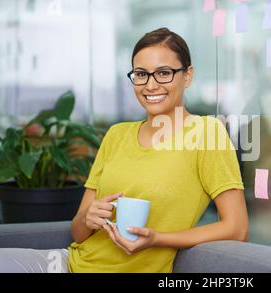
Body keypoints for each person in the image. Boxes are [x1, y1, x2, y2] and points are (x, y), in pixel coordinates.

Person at [68, 27, 248, 273]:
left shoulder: (206, 133)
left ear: (187, 76)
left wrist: (158, 239)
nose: (150, 85)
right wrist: (87, 217)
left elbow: (237, 228)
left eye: (164, 73)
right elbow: (78, 233)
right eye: (141, 74)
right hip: (71, 265)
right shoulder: (116, 134)